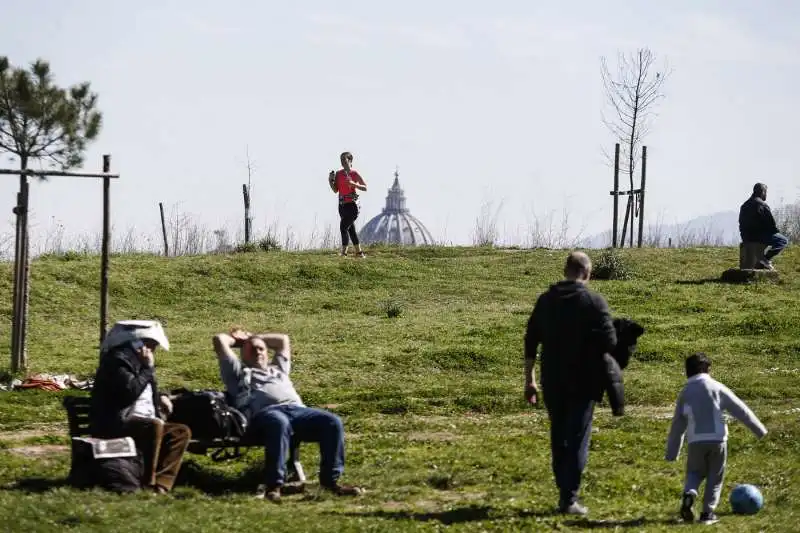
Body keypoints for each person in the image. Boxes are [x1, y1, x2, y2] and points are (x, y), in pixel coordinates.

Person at [212, 328, 363, 502]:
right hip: (264, 415)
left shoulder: (278, 369)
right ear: (242, 355)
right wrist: (239, 341)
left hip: (297, 410)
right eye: (252, 349)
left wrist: (253, 338)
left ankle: (330, 482)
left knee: (332, 421)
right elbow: (219, 340)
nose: (258, 351)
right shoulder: (237, 373)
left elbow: (283, 340)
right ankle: (274, 485)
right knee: (279, 422)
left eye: (261, 348)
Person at [524, 251, 617, 515]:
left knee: (559, 435)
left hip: (552, 380)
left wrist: (529, 379)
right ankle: (569, 497)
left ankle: (564, 491)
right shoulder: (594, 302)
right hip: (584, 382)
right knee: (578, 437)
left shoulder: (546, 301)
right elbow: (610, 342)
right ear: (587, 274)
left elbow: (531, 339)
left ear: (565, 270)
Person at [89, 320, 192, 493]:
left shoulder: (139, 362)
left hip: (140, 422)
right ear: (140, 343)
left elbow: (145, 389)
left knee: (179, 432)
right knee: (154, 426)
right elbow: (129, 391)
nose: (155, 349)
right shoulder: (117, 361)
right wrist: (148, 368)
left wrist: (162, 396)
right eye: (152, 344)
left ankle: (162, 485)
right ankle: (147, 482)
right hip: (116, 423)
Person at [665, 352, 767, 525]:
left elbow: (678, 424)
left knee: (694, 473)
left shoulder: (685, 392)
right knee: (715, 477)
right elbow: (741, 410)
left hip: (695, 441)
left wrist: (672, 452)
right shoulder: (717, 387)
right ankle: (707, 514)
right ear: (707, 369)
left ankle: (690, 493)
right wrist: (759, 430)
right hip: (718, 440)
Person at [738, 182, 789, 270]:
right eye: (766, 192)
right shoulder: (762, 204)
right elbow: (771, 224)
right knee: (783, 240)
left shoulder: (744, 205)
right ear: (762, 192)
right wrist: (776, 232)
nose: (766, 195)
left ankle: (762, 263)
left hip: (746, 236)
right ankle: (765, 259)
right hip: (758, 235)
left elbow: (740, 222)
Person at [328, 151, 367, 257]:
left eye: (344, 160)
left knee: (343, 227)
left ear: (350, 161)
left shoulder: (354, 174)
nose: (342, 162)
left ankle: (344, 253)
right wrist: (330, 181)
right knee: (351, 229)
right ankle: (359, 253)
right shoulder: (339, 174)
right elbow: (335, 190)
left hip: (353, 206)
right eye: (341, 160)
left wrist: (354, 184)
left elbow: (365, 187)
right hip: (342, 205)